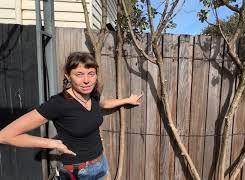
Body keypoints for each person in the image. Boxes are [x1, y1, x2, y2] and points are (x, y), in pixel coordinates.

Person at [0, 52, 142, 180]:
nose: (86, 80)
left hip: (100, 163)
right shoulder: (58, 103)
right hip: (78, 171)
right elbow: (5, 135)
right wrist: (53, 143)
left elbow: (101, 105)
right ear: (68, 76)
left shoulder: (92, 95)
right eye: (79, 74)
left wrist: (126, 100)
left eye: (91, 73)